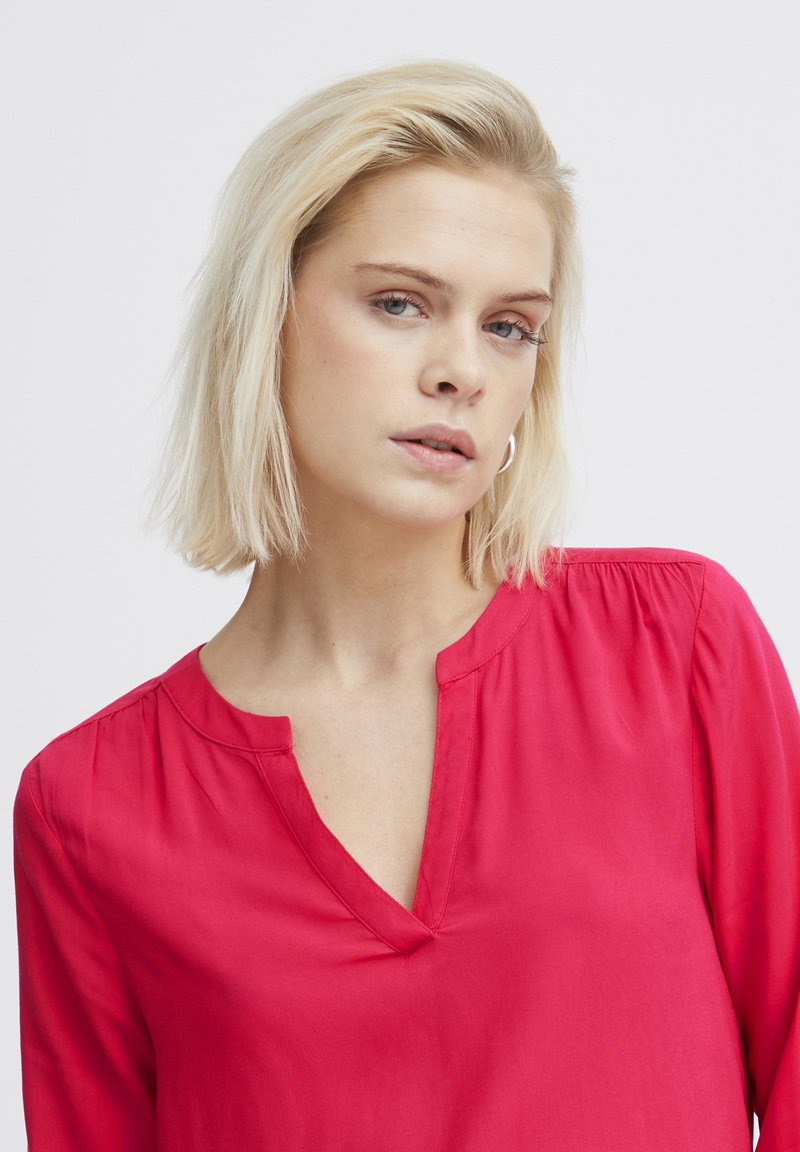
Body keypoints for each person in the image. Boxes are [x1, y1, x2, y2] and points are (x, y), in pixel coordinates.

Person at [12, 58, 800, 1152]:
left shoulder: (673, 647)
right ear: (264, 320)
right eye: (399, 303)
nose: (461, 370)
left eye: (509, 326)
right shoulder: (92, 809)